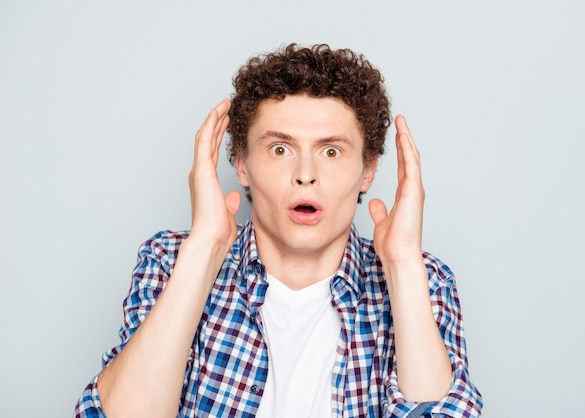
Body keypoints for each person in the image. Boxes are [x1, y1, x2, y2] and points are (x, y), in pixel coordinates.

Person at [74, 43, 482, 417]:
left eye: (331, 151)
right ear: (243, 166)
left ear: (368, 170)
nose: (305, 175)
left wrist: (403, 266)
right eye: (280, 149)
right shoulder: (169, 262)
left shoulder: (427, 282)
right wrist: (204, 249)